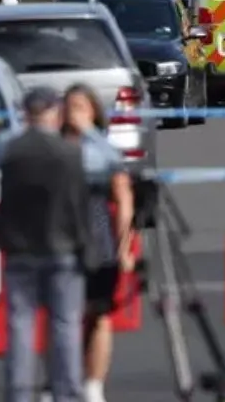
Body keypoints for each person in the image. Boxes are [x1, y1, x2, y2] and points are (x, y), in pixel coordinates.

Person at [0, 87, 92, 402]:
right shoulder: (70, 152)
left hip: (19, 248)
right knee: (65, 325)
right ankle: (68, 392)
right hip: (62, 248)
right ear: (54, 111)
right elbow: (79, 204)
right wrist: (86, 244)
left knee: (20, 325)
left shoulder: (9, 150)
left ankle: (18, 393)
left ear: (25, 113)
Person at [61, 85, 134, 402]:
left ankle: (93, 384)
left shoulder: (102, 149)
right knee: (63, 316)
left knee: (99, 314)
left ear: (93, 112)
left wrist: (124, 246)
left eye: (81, 106)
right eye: (70, 106)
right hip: (60, 240)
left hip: (97, 239)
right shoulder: (54, 147)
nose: (74, 113)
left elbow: (123, 195)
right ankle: (60, 382)